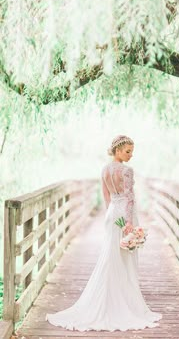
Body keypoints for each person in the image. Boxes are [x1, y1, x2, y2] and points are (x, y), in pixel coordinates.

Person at [45, 134, 162, 331]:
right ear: (117, 150)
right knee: (124, 259)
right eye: (128, 151)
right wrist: (129, 223)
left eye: (132, 152)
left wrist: (113, 216)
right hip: (126, 214)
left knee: (110, 257)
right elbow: (130, 198)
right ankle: (123, 303)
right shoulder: (126, 171)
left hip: (112, 214)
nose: (131, 155)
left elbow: (107, 197)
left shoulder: (105, 170)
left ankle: (110, 298)